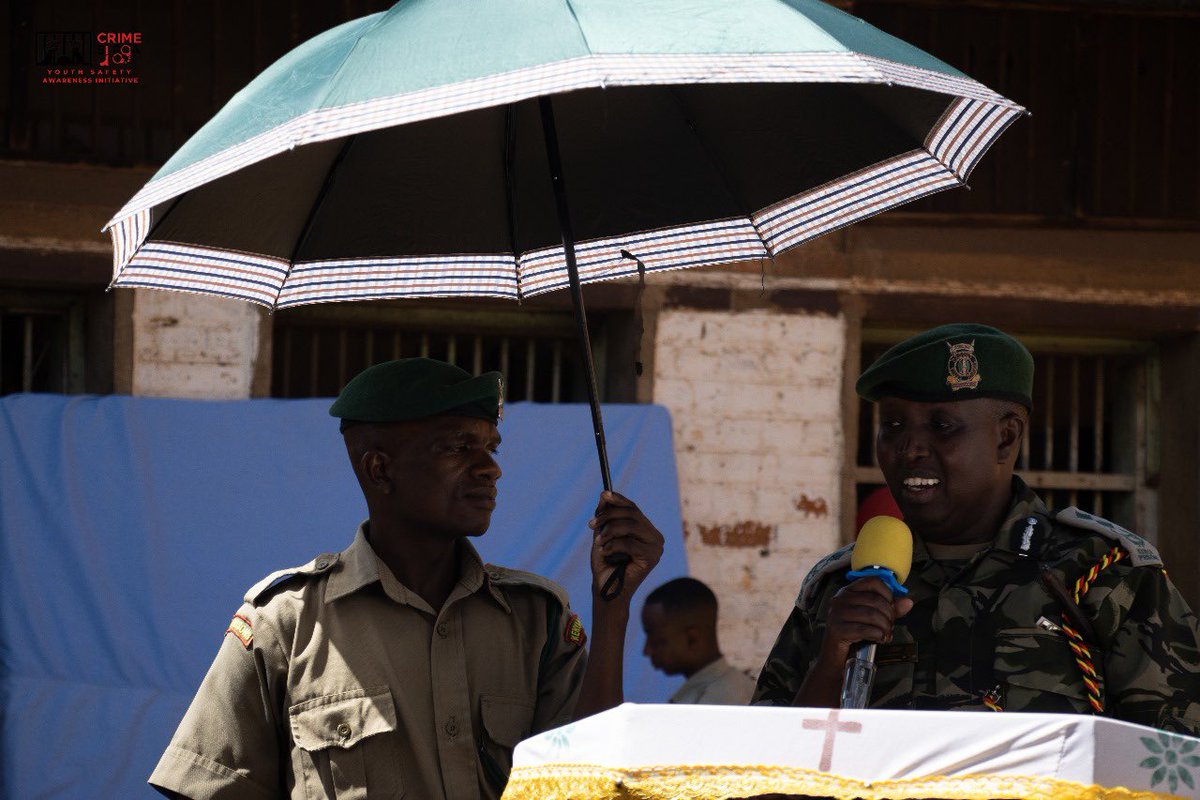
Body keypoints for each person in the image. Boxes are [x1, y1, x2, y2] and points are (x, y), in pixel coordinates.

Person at [149, 358, 664, 800]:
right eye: (458, 448)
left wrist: (611, 607)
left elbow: (590, 783)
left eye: (492, 447)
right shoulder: (286, 623)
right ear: (380, 470)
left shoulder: (536, 621)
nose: (490, 469)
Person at [753, 323, 1200, 734]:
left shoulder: (1103, 574)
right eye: (892, 426)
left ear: (1006, 437)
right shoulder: (838, 589)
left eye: (941, 426)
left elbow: (1176, 757)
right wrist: (833, 659)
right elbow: (763, 764)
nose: (909, 449)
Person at [641, 577, 756, 705]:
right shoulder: (726, 687)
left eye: (655, 638)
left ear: (691, 639)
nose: (646, 651)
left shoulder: (716, 701)